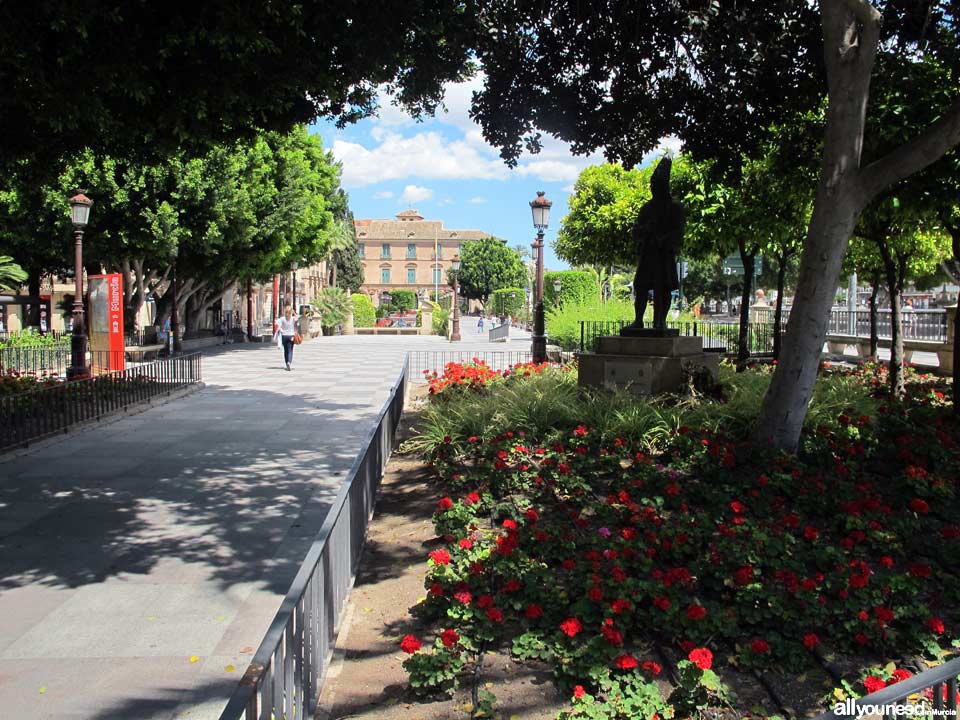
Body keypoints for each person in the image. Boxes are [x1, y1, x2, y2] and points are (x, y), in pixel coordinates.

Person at [624, 157, 685, 331]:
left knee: (664, 288)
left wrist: (664, 239)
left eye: (656, 185)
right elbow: (636, 231)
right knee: (641, 286)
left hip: (664, 254)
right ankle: (638, 320)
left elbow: (679, 231)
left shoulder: (675, 208)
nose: (653, 188)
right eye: (652, 185)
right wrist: (641, 230)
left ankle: (661, 321)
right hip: (648, 253)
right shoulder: (647, 208)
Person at [275, 305, 298, 370]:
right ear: (291, 312)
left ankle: (286, 362)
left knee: (286, 350)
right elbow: (297, 318)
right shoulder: (293, 318)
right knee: (290, 350)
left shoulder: (282, 319)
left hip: (284, 336)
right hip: (291, 336)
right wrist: (294, 313)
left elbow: (279, 327)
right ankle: (289, 362)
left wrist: (282, 332)